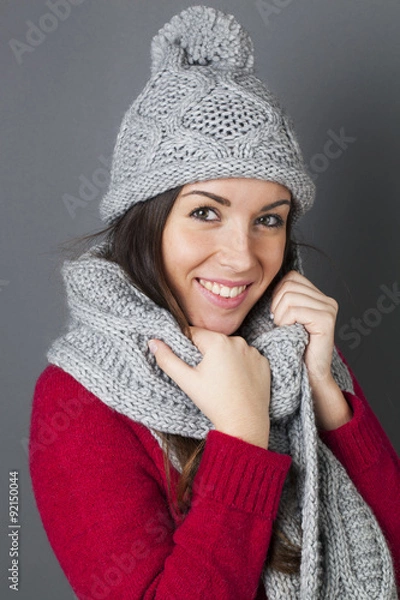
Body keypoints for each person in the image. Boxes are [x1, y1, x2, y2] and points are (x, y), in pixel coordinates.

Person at [29, 5, 400, 599]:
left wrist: (329, 395)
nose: (243, 258)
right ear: (146, 221)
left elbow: (392, 562)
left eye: (268, 221)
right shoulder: (78, 399)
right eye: (206, 212)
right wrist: (243, 434)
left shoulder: (294, 357)